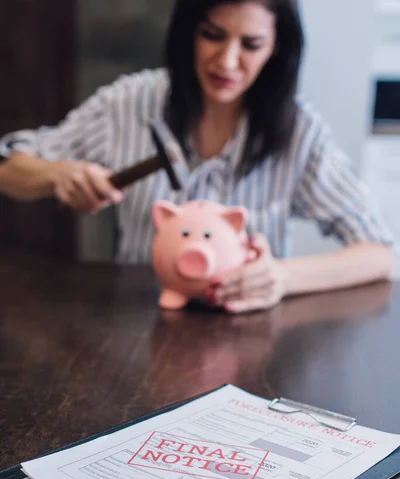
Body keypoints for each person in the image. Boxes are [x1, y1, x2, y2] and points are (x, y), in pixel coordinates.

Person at [0, 0, 394, 313]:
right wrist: (56, 175)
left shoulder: (299, 131)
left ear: (276, 47)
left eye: (251, 44)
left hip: (250, 339)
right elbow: (7, 166)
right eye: (212, 35)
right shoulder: (129, 103)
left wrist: (283, 276)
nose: (226, 61)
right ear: (188, 32)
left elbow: (379, 254)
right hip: (138, 329)